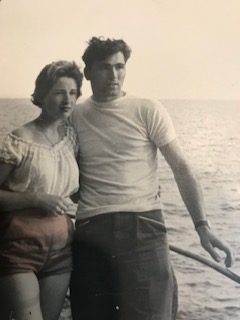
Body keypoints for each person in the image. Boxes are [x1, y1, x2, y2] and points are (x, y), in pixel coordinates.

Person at [69, 37, 233, 320]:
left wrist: (202, 226)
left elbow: (181, 167)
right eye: (105, 68)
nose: (114, 75)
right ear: (88, 73)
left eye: (120, 67)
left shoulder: (147, 109)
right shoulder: (74, 115)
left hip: (143, 228)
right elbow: (66, 176)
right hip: (91, 231)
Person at [0, 60, 83, 320]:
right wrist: (36, 199)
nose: (67, 100)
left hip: (61, 250)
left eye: (73, 93)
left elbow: (78, 189)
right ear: (42, 95)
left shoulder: (72, 140)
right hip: (20, 250)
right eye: (59, 92)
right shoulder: (18, 140)